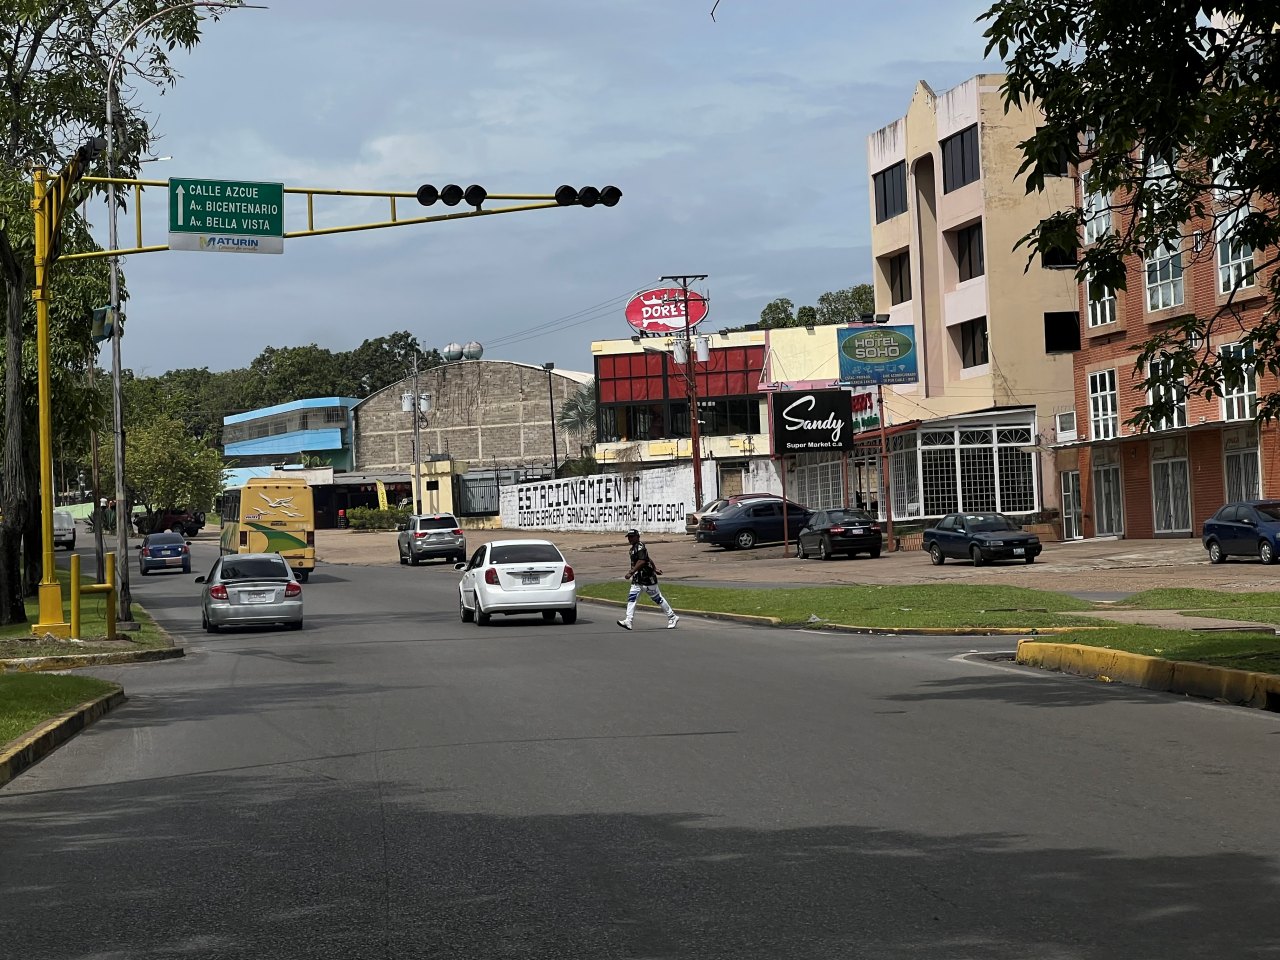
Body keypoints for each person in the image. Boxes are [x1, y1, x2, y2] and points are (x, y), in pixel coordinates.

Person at [617, 528, 679, 630]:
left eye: (632, 537)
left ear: (638, 537)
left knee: (657, 598)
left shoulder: (640, 547)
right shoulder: (633, 549)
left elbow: (642, 561)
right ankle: (628, 620)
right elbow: (648, 559)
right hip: (638, 579)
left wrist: (631, 572)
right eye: (629, 537)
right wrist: (655, 568)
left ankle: (672, 616)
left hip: (647, 578)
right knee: (632, 598)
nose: (630, 539)